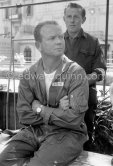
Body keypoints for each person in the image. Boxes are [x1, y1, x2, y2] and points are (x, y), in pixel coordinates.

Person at [0, 21, 89, 166]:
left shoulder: (76, 73)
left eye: (61, 37)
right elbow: (24, 116)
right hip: (34, 131)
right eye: (52, 38)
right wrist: (58, 111)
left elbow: (74, 120)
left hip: (67, 134)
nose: (59, 41)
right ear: (38, 45)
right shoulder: (28, 74)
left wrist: (40, 108)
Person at [63, 2, 106, 146]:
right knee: (61, 139)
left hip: (86, 100)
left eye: (76, 16)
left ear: (84, 19)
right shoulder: (56, 42)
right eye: (69, 16)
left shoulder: (93, 42)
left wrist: (82, 80)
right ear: (64, 19)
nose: (72, 20)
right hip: (61, 100)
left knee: (85, 139)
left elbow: (100, 72)